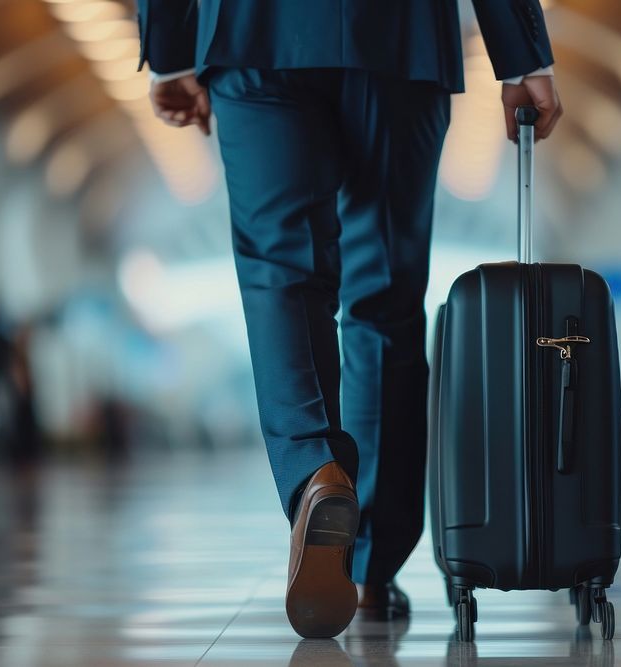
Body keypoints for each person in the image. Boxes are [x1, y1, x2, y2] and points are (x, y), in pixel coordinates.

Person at [136, 0, 562, 639]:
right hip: (401, 37)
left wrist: (170, 50)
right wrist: (521, 54)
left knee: (280, 271)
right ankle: (368, 566)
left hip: (253, 35)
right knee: (384, 298)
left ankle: (315, 471)